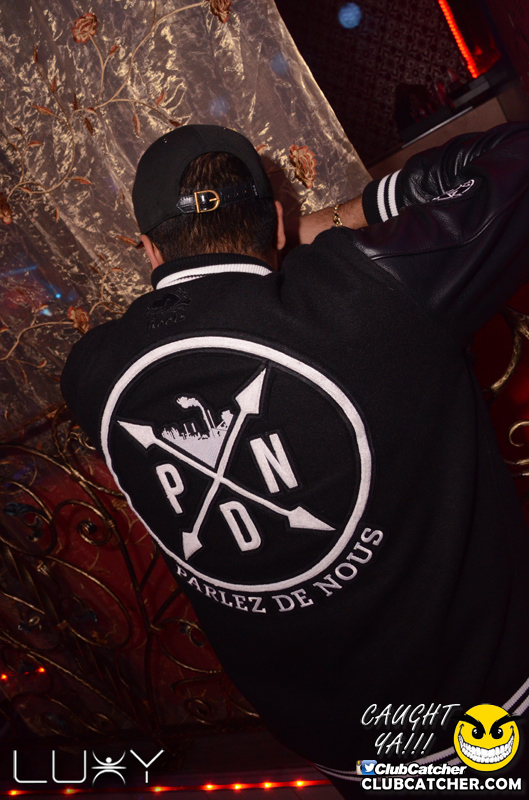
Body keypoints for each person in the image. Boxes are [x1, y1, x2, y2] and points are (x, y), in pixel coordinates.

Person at [61, 123, 529, 797]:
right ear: (278, 223)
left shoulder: (91, 372)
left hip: (335, 739)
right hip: (489, 710)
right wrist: (333, 220)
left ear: (149, 248)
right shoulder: (363, 290)